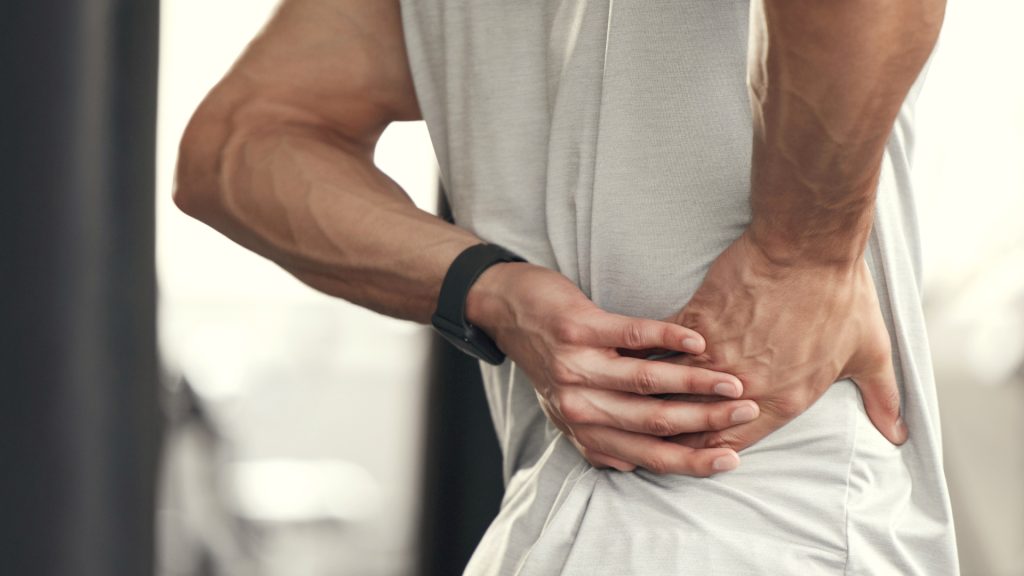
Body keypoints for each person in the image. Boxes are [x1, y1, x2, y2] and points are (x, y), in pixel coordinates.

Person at [174, 0, 958, 573]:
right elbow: (237, 147)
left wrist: (493, 289)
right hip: (771, 519)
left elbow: (241, 143)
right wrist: (802, 259)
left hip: (549, 538)